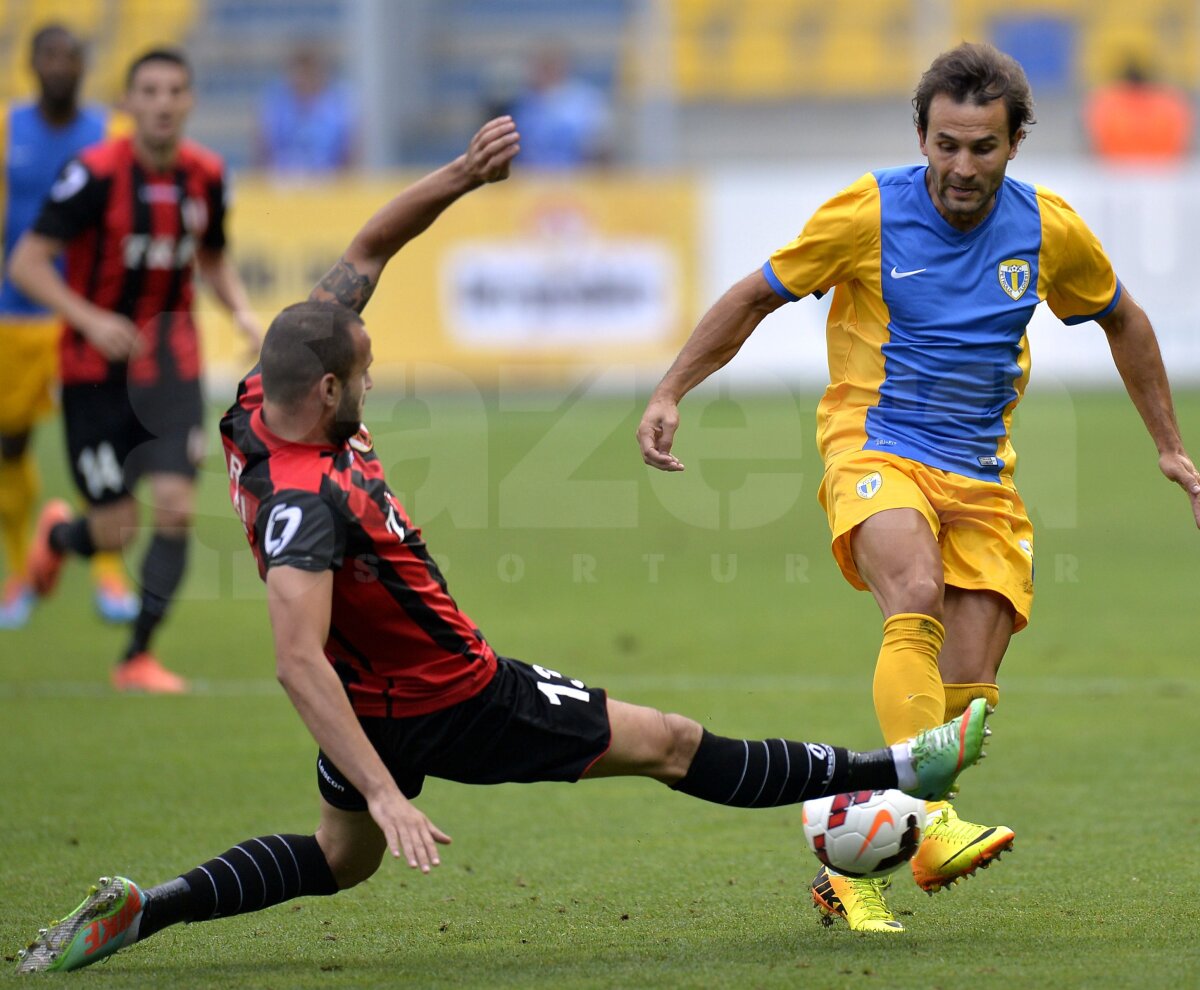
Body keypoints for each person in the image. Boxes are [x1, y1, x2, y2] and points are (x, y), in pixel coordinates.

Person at [14, 116, 992, 975]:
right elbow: (294, 659)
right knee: (670, 744)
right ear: (327, 391)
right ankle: (902, 768)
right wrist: (387, 795)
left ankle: (148, 910)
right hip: (453, 695)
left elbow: (369, 245)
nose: (372, 381)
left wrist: (461, 174)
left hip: (374, 698)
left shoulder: (261, 399)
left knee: (338, 860)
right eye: (365, 374)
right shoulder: (303, 505)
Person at [637, 42, 1200, 933]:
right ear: (921, 137)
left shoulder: (1048, 229)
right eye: (946, 144)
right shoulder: (867, 213)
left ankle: (850, 866)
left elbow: (1123, 319)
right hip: (875, 446)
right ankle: (933, 823)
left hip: (981, 478)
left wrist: (1169, 446)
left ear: (1015, 144)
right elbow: (754, 295)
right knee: (915, 591)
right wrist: (671, 390)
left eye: (983, 147)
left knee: (959, 708)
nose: (962, 166)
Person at [9, 47, 261, 693]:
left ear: (190, 100)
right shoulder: (93, 173)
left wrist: (241, 313)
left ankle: (138, 656)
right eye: (149, 91)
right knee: (115, 529)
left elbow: (212, 256)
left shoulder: (207, 175)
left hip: (171, 368)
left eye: (174, 90)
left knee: (175, 507)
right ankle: (60, 539)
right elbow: (27, 264)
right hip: (92, 372)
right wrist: (90, 318)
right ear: (127, 103)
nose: (162, 103)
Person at [0, 24, 139, 629]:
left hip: (86, 318)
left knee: (99, 445)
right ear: (31, 64)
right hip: (15, 315)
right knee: (10, 443)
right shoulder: (8, 130)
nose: (59, 66)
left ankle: (108, 572)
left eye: (70, 57)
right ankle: (19, 568)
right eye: (49, 57)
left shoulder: (111, 133)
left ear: (84, 66)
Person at [254, 44, 357, 177]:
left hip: (330, 181)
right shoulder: (275, 104)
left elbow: (350, 152)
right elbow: (263, 150)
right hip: (282, 181)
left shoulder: (339, 105)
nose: (305, 80)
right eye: (301, 74)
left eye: (310, 74)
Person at [507, 44, 613, 169]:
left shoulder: (587, 101)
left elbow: (602, 149)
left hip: (576, 176)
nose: (546, 70)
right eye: (542, 65)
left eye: (551, 64)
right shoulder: (521, 103)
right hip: (527, 176)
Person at [1083, 58, 1194, 163]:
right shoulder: (1169, 104)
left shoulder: (1106, 105)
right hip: (1160, 167)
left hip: (1119, 167)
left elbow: (1097, 140)